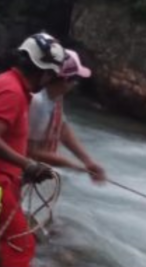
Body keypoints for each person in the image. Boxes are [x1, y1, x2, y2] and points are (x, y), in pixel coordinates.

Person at [0, 33, 65, 267]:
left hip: (6, 181)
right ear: (43, 69)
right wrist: (27, 165)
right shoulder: (11, 91)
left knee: (7, 243)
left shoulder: (15, 89)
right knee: (21, 245)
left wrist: (26, 170)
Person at [27, 49, 106, 183]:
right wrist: (75, 166)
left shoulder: (54, 99)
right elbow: (29, 152)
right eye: (74, 80)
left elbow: (62, 129)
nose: (75, 84)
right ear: (64, 80)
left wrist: (88, 162)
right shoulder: (38, 103)